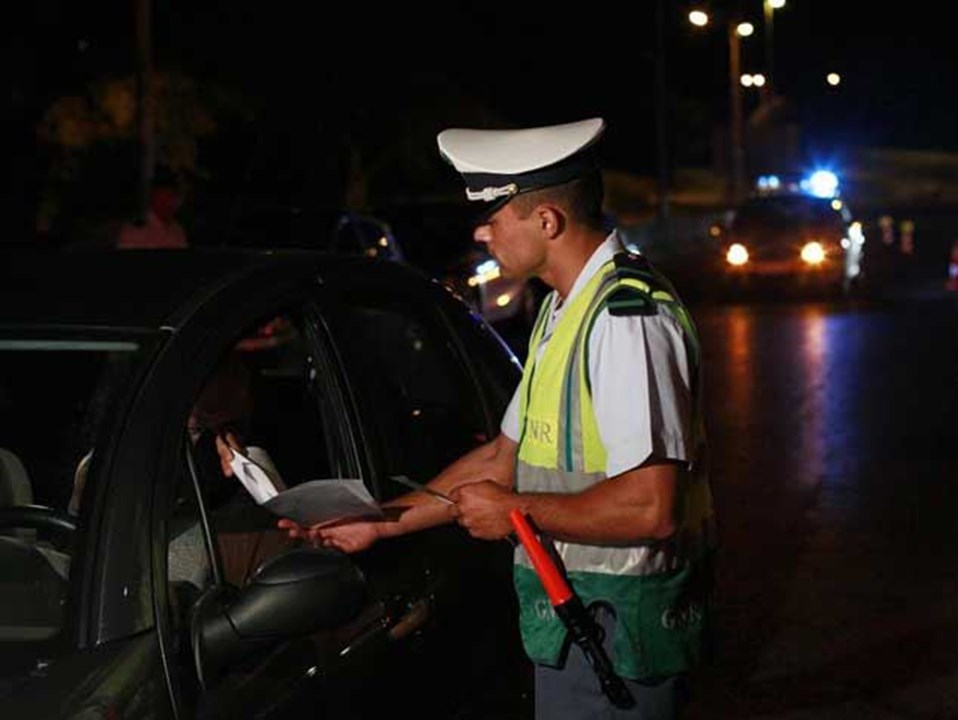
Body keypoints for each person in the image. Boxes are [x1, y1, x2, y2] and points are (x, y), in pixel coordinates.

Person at [279, 117, 716, 719]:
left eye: (493, 214)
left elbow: (652, 508)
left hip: (620, 633)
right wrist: (381, 522)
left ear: (547, 220)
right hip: (581, 623)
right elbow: (500, 457)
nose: (482, 234)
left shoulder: (624, 320)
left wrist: (515, 511)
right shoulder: (564, 310)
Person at [116, 167, 189, 249]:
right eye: (166, 196)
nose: (172, 202)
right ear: (152, 195)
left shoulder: (177, 230)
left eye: (173, 196)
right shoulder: (134, 232)